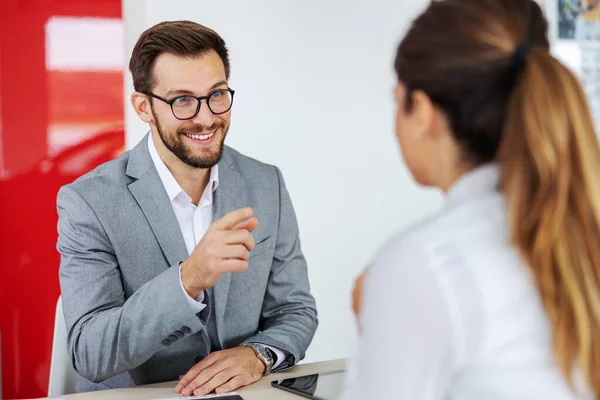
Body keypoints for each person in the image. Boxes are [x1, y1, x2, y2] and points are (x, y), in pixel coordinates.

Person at [342, 0, 600, 398]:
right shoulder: (581, 231)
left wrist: (377, 322)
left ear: (423, 111)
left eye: (398, 101)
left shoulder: (422, 265)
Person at [57, 20, 317, 396]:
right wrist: (188, 280)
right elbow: (90, 351)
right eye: (182, 100)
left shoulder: (265, 184)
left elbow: (296, 310)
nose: (207, 117)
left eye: (217, 94)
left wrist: (257, 355)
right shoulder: (89, 201)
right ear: (143, 106)